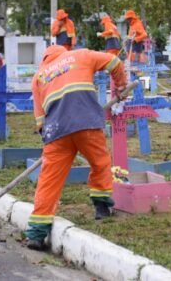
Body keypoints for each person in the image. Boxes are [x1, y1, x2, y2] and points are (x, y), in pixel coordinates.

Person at [24, 45, 127, 251]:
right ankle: (101, 207)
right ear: (63, 51)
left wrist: (49, 139)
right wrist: (121, 85)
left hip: (56, 131)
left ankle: (36, 233)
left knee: (49, 180)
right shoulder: (81, 55)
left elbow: (40, 120)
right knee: (100, 163)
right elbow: (114, 62)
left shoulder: (39, 77)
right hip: (86, 122)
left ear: (45, 59)